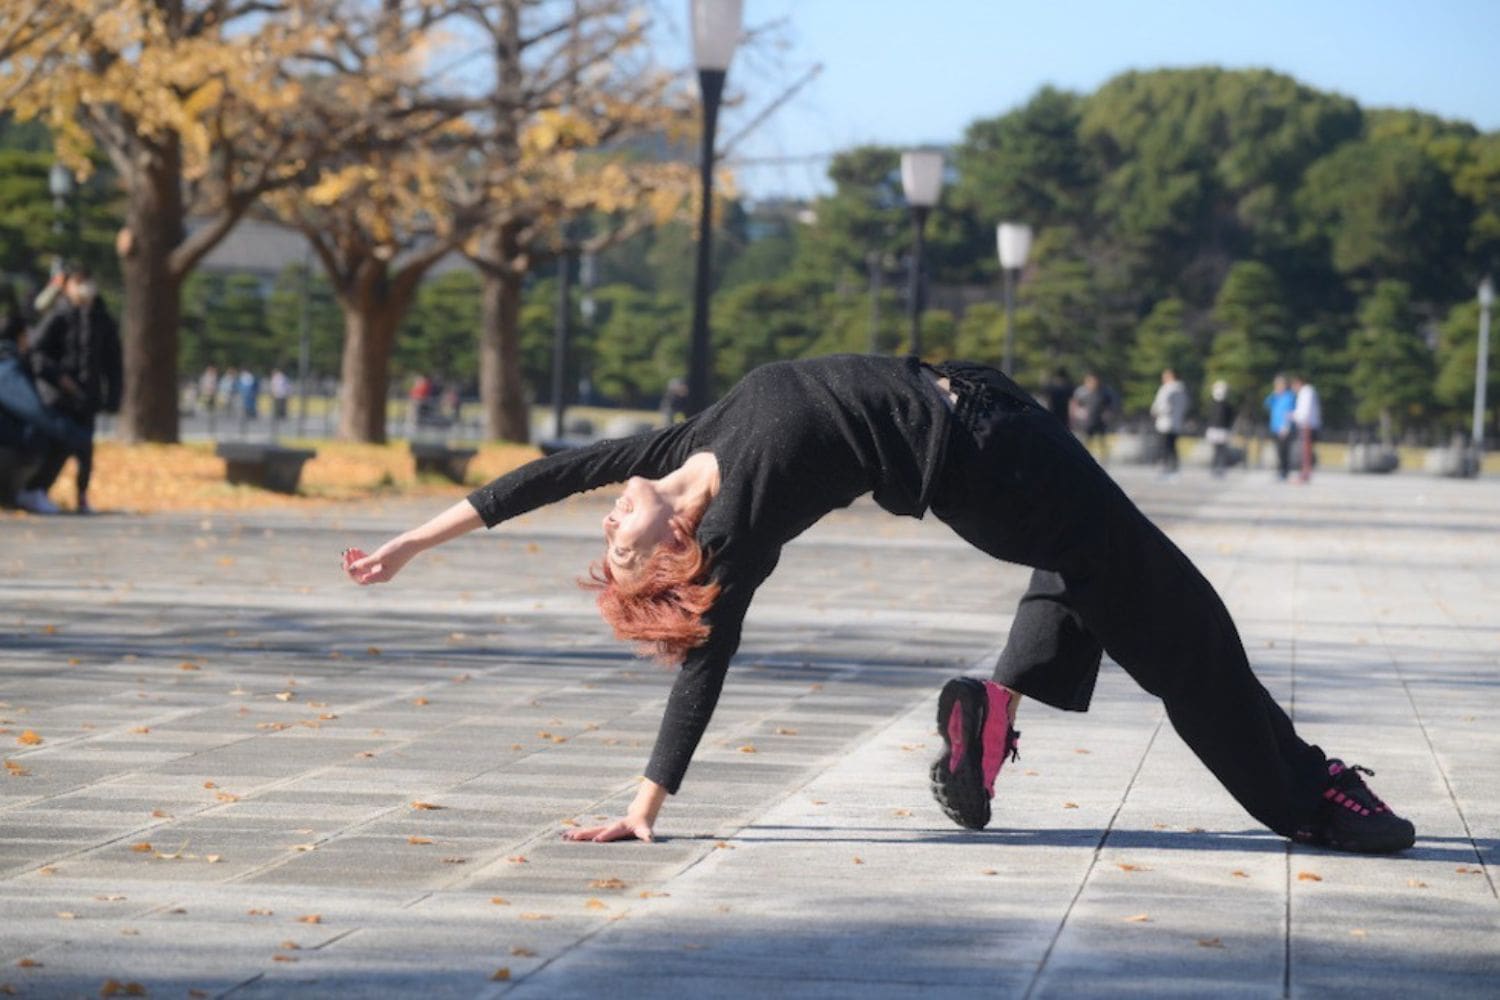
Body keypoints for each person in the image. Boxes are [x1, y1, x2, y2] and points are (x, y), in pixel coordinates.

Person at [343, 354, 1415, 855]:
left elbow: (536, 480)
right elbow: (706, 665)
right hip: (992, 470)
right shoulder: (736, 529)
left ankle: (989, 716)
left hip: (995, 418)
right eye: (620, 544)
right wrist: (646, 802)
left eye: (607, 531)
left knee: (1094, 574)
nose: (607, 519)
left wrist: (407, 544)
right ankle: (1309, 796)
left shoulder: (677, 451)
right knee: (1178, 619)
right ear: (672, 552)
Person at [24, 264, 122, 514]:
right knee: (59, 445)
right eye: (79, 282)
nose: (85, 288)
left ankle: (81, 495)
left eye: (87, 282)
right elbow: (37, 353)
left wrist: (113, 396)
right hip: (58, 397)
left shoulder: (102, 318)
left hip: (87, 398)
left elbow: (113, 362)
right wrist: (59, 379)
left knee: (85, 450)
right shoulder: (58, 315)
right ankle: (37, 489)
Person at [0, 284, 91, 513]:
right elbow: (32, 410)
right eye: (27, 336)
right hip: (7, 442)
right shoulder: (7, 368)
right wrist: (71, 432)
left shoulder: (13, 362)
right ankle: (28, 492)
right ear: (20, 337)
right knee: (50, 436)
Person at [1149, 368, 1188, 476]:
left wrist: (1155, 412)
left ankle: (1165, 468)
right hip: (1176, 422)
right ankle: (1174, 468)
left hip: (1165, 422)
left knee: (1164, 446)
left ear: (1170, 376)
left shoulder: (1168, 389)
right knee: (1172, 447)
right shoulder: (1182, 389)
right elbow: (1184, 406)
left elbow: (1162, 405)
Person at [1070, 372, 1115, 461]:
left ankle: (1104, 460)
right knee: (1085, 441)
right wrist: (1076, 414)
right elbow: (1074, 404)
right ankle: (1084, 459)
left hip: (1099, 421)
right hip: (1085, 422)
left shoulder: (1103, 392)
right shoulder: (1081, 392)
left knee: (1102, 441)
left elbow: (1109, 405)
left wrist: (1107, 414)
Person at [1290, 374, 1321, 484]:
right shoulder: (1307, 392)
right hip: (1306, 424)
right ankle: (1305, 473)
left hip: (1307, 425)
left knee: (1305, 453)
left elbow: (1305, 411)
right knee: (1305, 452)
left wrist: (1294, 415)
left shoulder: (1306, 392)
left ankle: (1305, 474)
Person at [1264, 374, 1296, 481]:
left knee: (1284, 451)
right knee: (1278, 451)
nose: (1278, 386)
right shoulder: (1275, 397)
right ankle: (1280, 471)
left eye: (1279, 384)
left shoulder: (1289, 396)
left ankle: (1284, 472)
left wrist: (1286, 426)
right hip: (1275, 427)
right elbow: (1266, 404)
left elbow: (1290, 412)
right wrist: (1273, 395)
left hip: (1284, 428)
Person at [1206, 380, 1236, 477]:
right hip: (1216, 430)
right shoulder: (1214, 404)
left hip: (1222, 430)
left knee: (1220, 451)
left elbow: (1230, 419)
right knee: (1218, 451)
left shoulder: (1227, 405)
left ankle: (1219, 468)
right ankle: (1216, 468)